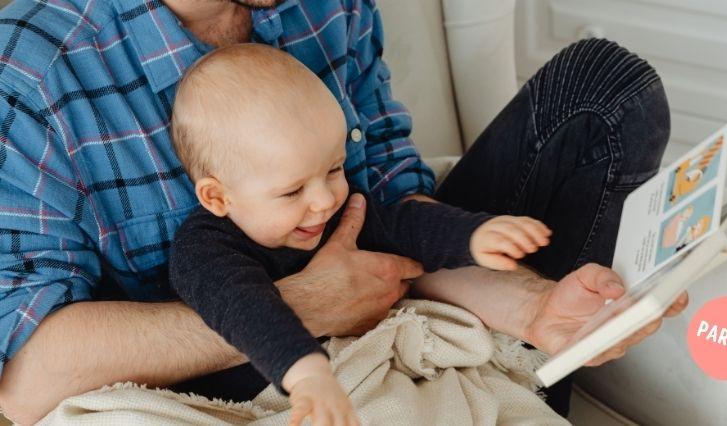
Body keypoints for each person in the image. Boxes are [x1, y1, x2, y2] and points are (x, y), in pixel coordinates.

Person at [0, 0, 686, 423]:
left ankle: (527, 364)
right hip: (214, 382)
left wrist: (528, 302)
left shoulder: (329, 5)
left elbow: (383, 209)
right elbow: (24, 383)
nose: (324, 195)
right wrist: (306, 309)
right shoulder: (32, 68)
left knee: (602, 89)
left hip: (383, 318)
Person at [168, 43, 553, 426]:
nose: (324, 200)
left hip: (352, 374)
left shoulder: (337, 213)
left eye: (334, 169)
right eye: (292, 191)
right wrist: (307, 374)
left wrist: (474, 236)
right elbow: (247, 310)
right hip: (269, 394)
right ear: (217, 196)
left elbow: (405, 226)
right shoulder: (203, 253)